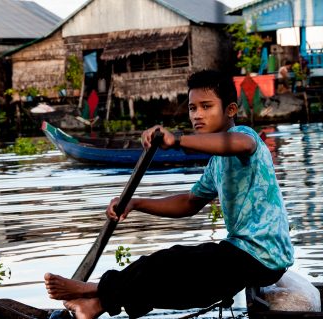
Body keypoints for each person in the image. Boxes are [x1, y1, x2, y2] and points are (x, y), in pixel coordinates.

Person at [44, 70, 294, 319]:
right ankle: (95, 305)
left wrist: (177, 140)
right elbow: (188, 202)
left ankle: (94, 289)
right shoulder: (215, 164)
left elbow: (239, 143)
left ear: (230, 110)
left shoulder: (245, 137)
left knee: (169, 262)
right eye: (192, 108)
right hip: (241, 253)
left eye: (206, 107)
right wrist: (136, 203)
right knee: (175, 280)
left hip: (261, 254)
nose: (197, 115)